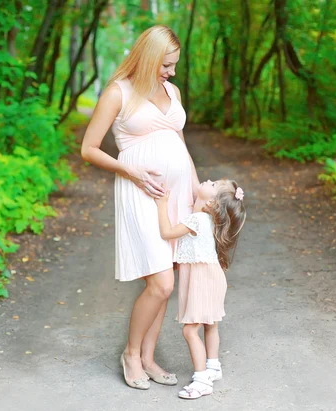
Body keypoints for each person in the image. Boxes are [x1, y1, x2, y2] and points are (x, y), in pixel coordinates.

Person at [80, 25, 200, 390]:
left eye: (175, 65)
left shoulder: (171, 90)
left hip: (177, 195)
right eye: (166, 64)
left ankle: (148, 357)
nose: (172, 72)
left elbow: (181, 145)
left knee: (170, 275)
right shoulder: (119, 93)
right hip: (140, 191)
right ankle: (131, 353)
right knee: (161, 283)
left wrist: (197, 192)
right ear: (149, 59)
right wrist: (129, 169)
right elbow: (89, 149)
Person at [154, 178, 246, 399]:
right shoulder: (210, 220)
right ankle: (213, 367)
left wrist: (161, 204)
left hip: (202, 280)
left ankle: (202, 380)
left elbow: (167, 233)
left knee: (190, 330)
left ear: (212, 204)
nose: (208, 180)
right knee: (210, 325)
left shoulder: (196, 220)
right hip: (213, 278)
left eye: (213, 185)